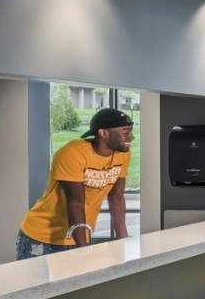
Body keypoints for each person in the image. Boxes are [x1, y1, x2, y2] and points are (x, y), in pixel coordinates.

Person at [16, 107, 133, 260]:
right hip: (41, 236)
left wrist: (122, 241)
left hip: (78, 236)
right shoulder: (72, 154)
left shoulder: (122, 155)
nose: (131, 137)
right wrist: (83, 250)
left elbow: (116, 198)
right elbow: (76, 202)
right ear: (103, 133)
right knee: (35, 284)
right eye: (125, 132)